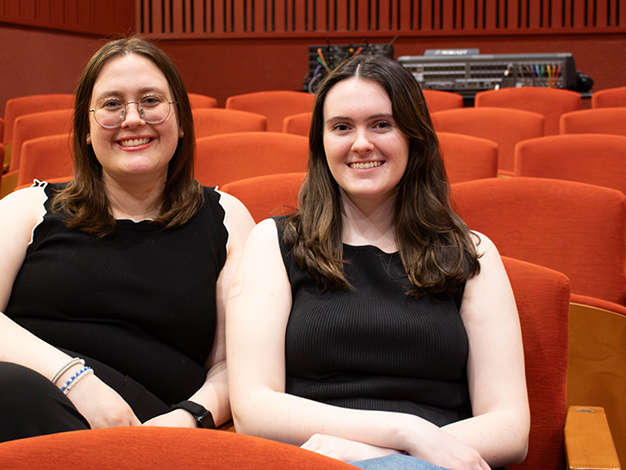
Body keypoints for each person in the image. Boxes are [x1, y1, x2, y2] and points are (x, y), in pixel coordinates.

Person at [0, 37, 254, 470]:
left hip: (137, 422)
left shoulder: (226, 219)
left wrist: (188, 420)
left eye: (150, 101)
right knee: (17, 397)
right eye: (111, 105)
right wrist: (76, 381)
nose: (132, 119)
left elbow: (236, 365)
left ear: (180, 120)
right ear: (86, 131)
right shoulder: (29, 207)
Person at [225, 54, 530, 470]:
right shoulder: (275, 243)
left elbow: (510, 427)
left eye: (381, 124)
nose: (361, 143)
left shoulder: (471, 253)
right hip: (318, 461)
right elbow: (254, 409)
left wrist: (388, 455)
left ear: (414, 137)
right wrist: (403, 432)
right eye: (342, 127)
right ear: (322, 144)